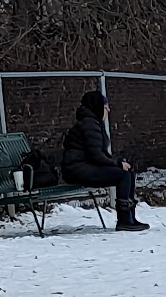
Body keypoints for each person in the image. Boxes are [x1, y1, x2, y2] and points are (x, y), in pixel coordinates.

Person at [62, 90, 149, 233]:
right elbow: (96, 156)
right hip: (77, 169)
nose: (108, 109)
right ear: (97, 107)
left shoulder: (92, 123)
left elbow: (99, 154)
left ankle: (129, 218)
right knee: (123, 175)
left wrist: (118, 161)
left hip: (83, 167)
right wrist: (117, 164)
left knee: (127, 173)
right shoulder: (90, 125)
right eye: (105, 106)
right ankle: (125, 220)